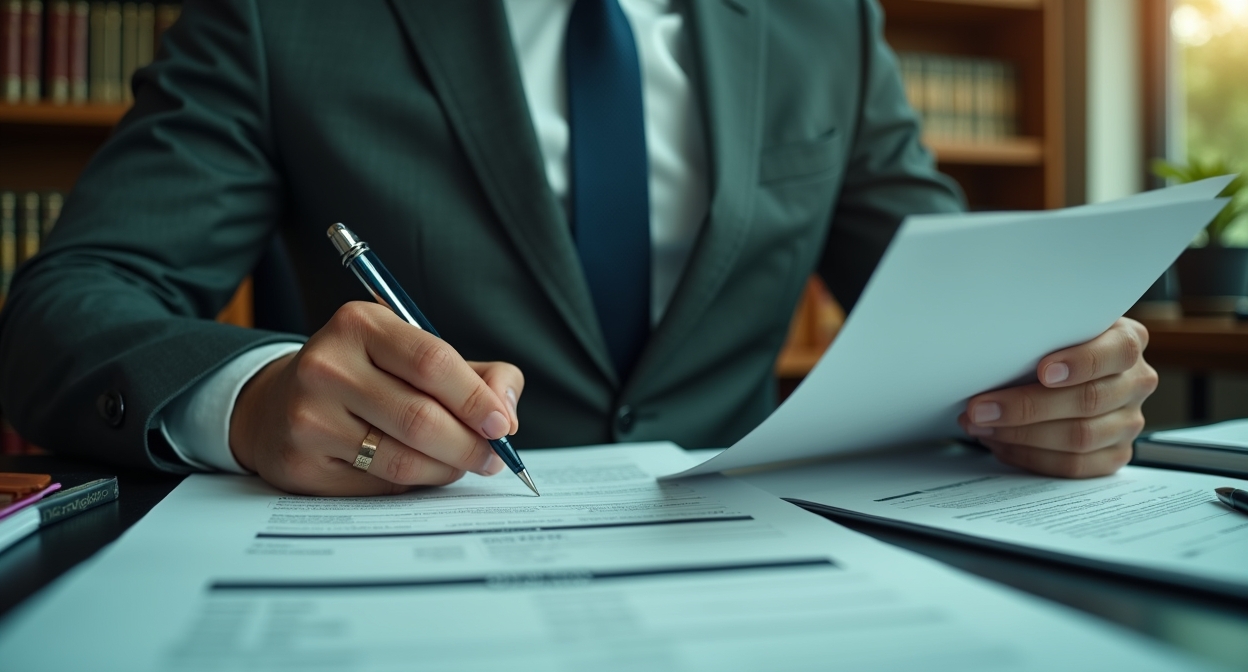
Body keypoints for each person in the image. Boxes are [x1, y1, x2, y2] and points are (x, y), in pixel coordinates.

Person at [0, 0, 1158, 496]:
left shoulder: (823, 21)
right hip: (417, 581)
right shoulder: (284, 17)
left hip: (761, 574)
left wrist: (1058, 373)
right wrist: (249, 400)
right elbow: (71, 300)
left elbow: (954, 294)